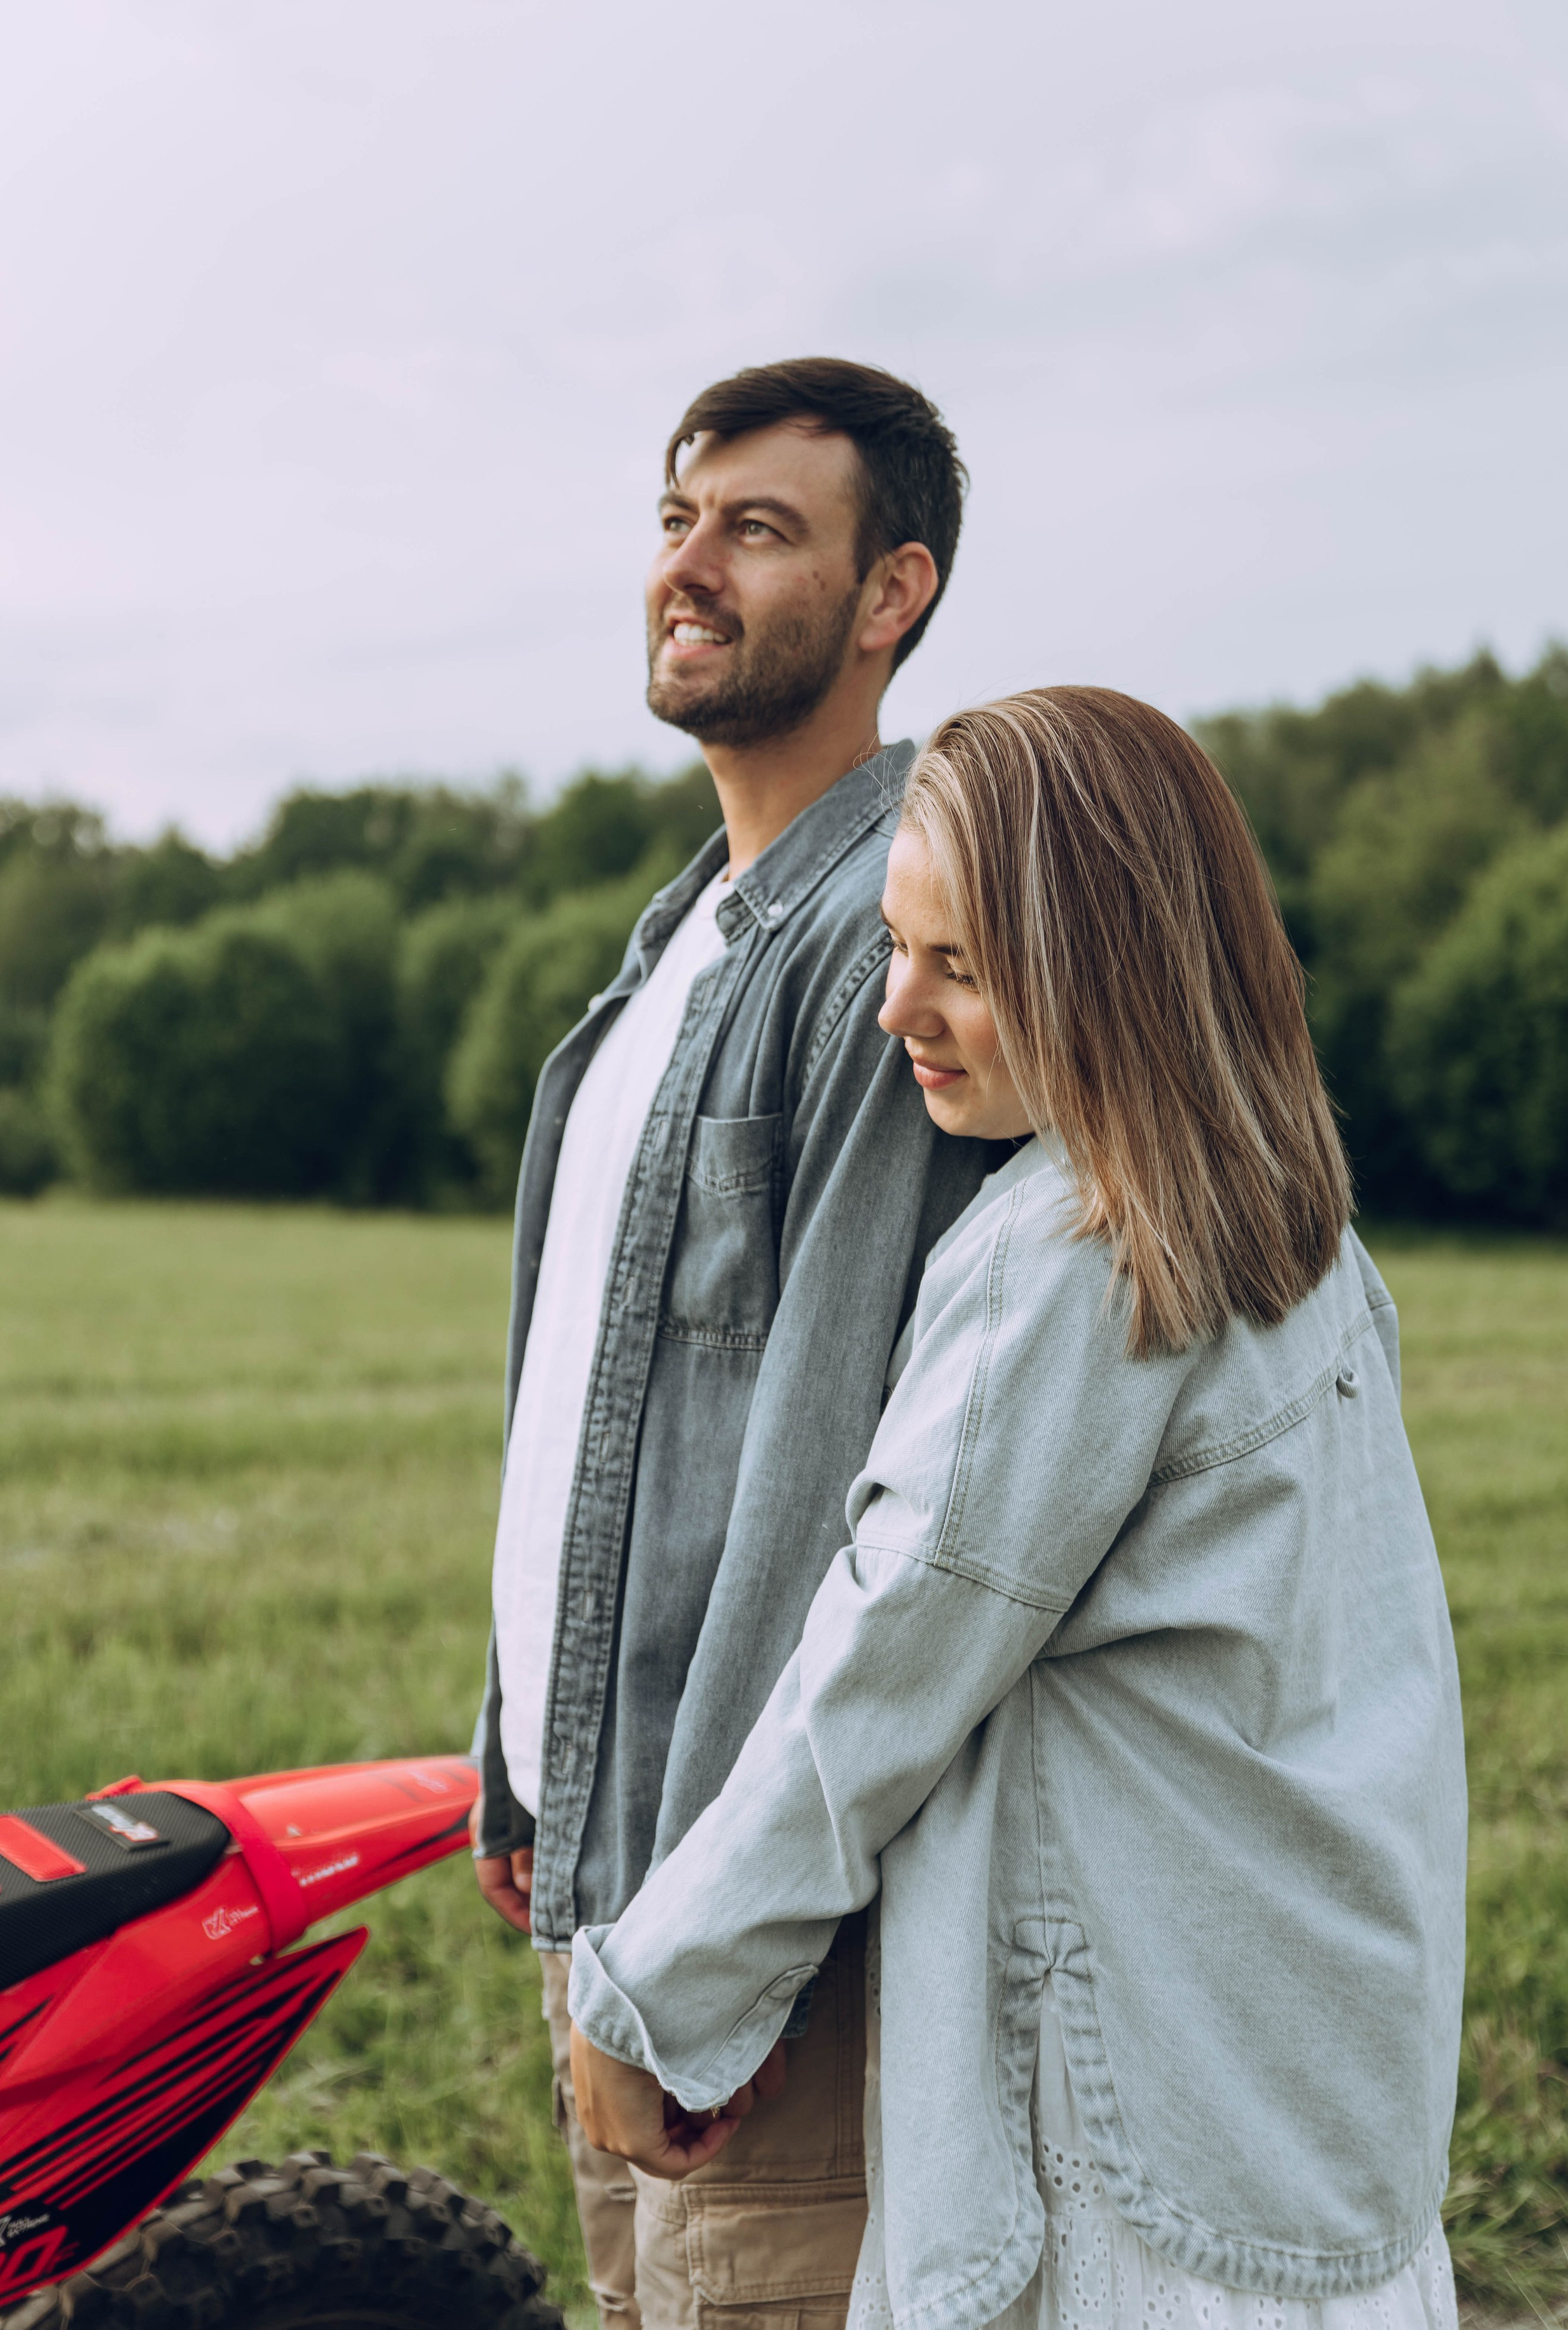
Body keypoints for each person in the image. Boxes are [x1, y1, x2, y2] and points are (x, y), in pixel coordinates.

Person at [566, 687, 1469, 2330]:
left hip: (1141, 2105)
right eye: (898, 946)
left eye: (960, 964)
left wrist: (652, 1995)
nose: (894, 1003)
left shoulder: (1070, 1257)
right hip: (1307, 2069)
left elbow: (880, 1670)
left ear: (1104, 968)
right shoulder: (1296, 1219)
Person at [471, 359, 998, 2329]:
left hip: (737, 1927)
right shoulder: (684, 931)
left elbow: (829, 1475)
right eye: (678, 518)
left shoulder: (886, 928)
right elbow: (592, 1420)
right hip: (615, 1874)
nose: (687, 564)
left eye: (758, 528)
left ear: (892, 596)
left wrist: (716, 1944)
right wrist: (522, 1763)